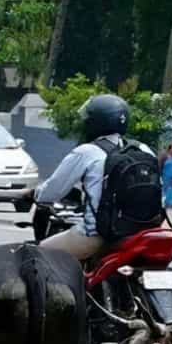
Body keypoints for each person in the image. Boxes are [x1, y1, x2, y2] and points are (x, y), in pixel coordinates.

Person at [30, 94, 157, 260]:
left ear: (94, 123)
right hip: (143, 233)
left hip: (99, 235)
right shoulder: (143, 149)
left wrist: (34, 194)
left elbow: (51, 193)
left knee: (36, 255)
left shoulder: (87, 152)